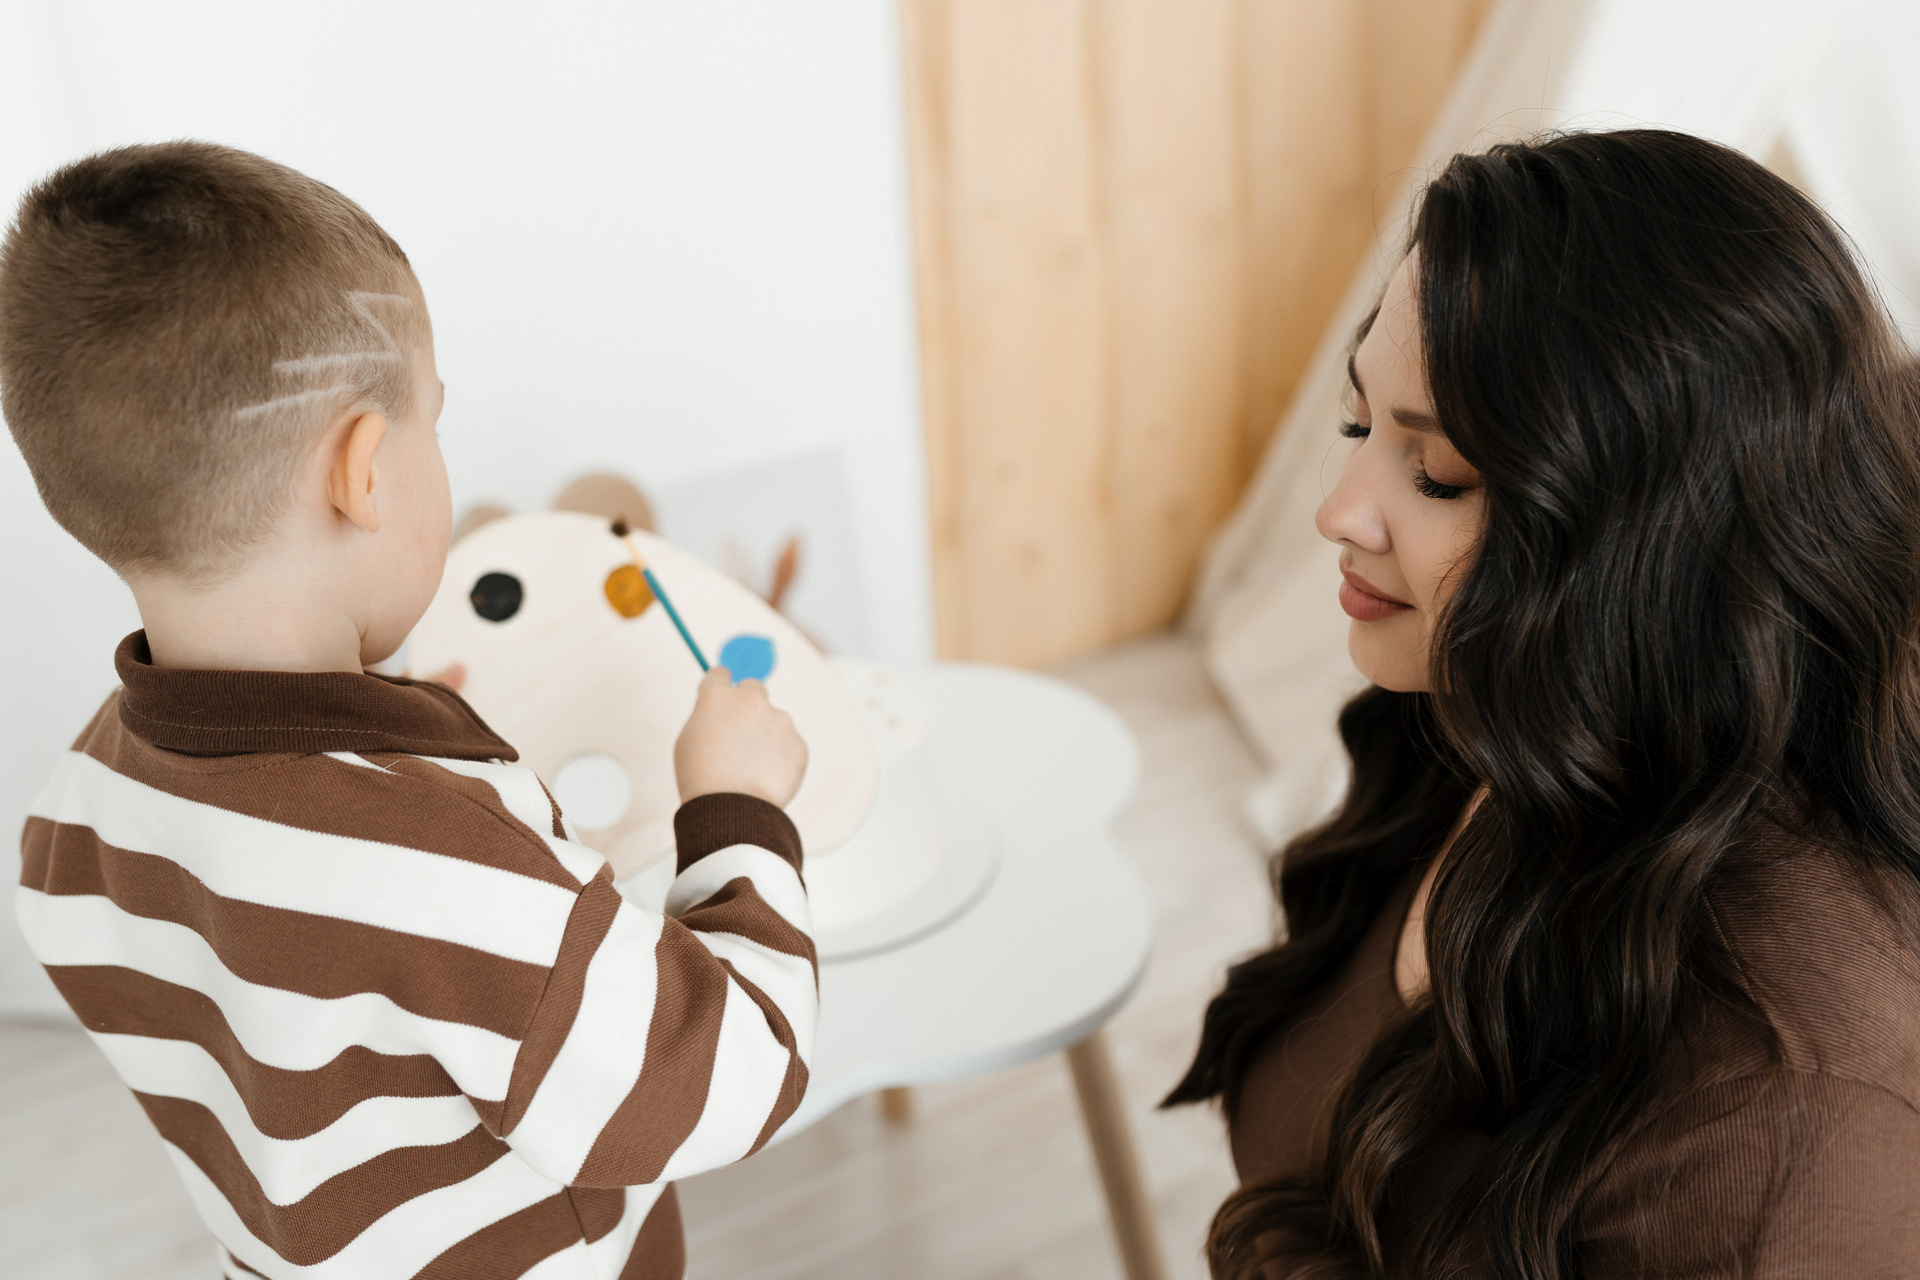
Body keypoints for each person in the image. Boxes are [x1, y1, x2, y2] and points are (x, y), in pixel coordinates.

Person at [4, 142, 814, 1279]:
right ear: (364, 469)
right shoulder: (439, 868)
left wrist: (409, 753)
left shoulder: (68, 817)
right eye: (435, 418)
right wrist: (737, 812)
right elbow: (733, 1074)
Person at [1167, 129, 1920, 1277]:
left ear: (1657, 545)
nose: (1338, 511)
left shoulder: (1785, 1136)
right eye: (1359, 422)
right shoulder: (1498, 710)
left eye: (1439, 473)